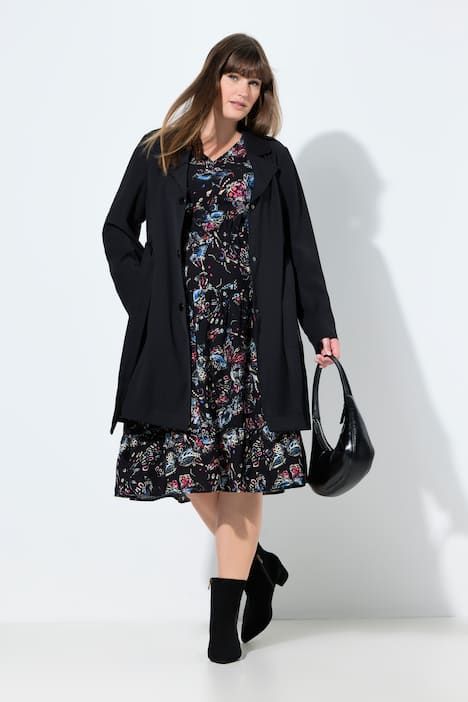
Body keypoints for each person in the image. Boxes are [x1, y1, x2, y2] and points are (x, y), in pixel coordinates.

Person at [102, 32, 340, 664]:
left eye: (255, 82)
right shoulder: (158, 151)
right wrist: (148, 301)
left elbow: (302, 248)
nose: (244, 90)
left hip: (251, 348)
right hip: (181, 345)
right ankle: (258, 570)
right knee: (189, 469)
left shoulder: (271, 160)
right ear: (213, 77)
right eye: (235, 76)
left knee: (242, 474)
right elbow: (117, 230)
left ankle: (222, 629)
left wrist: (320, 327)